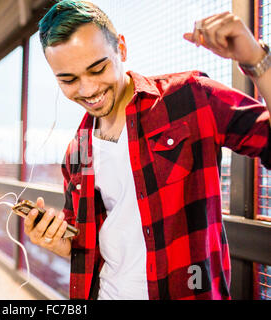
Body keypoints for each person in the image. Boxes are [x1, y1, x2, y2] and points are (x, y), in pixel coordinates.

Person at [23, 1, 270, 300]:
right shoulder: (77, 150)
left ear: (122, 49)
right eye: (68, 79)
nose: (87, 90)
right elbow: (84, 242)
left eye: (98, 68)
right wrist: (56, 241)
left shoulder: (190, 96)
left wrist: (256, 60)